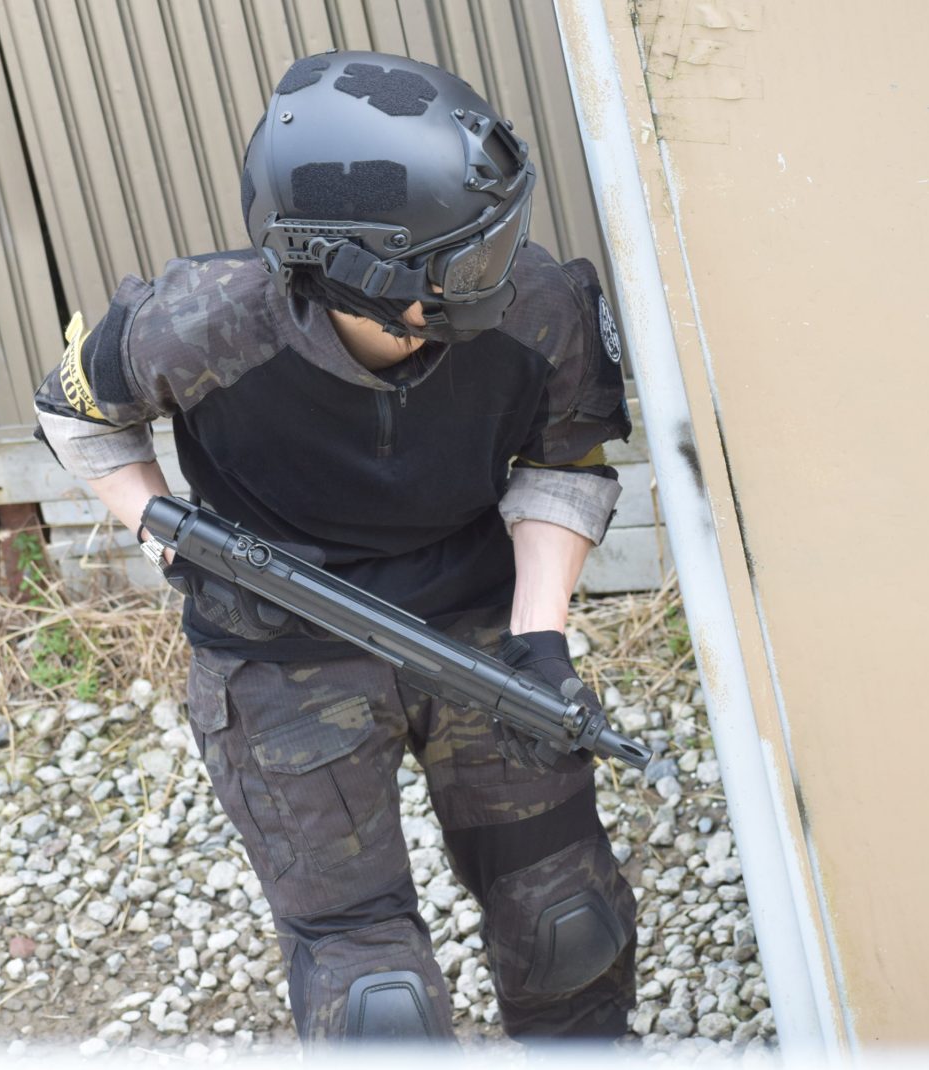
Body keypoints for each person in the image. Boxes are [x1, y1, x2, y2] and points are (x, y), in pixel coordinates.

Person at [33, 50, 637, 1046]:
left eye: (496, 240)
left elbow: (564, 459)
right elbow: (75, 414)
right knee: (373, 995)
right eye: (464, 263)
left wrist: (542, 641)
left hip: (478, 629)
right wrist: (161, 525)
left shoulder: (534, 308)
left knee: (565, 921)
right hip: (280, 656)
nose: (499, 273)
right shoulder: (200, 325)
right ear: (358, 269)